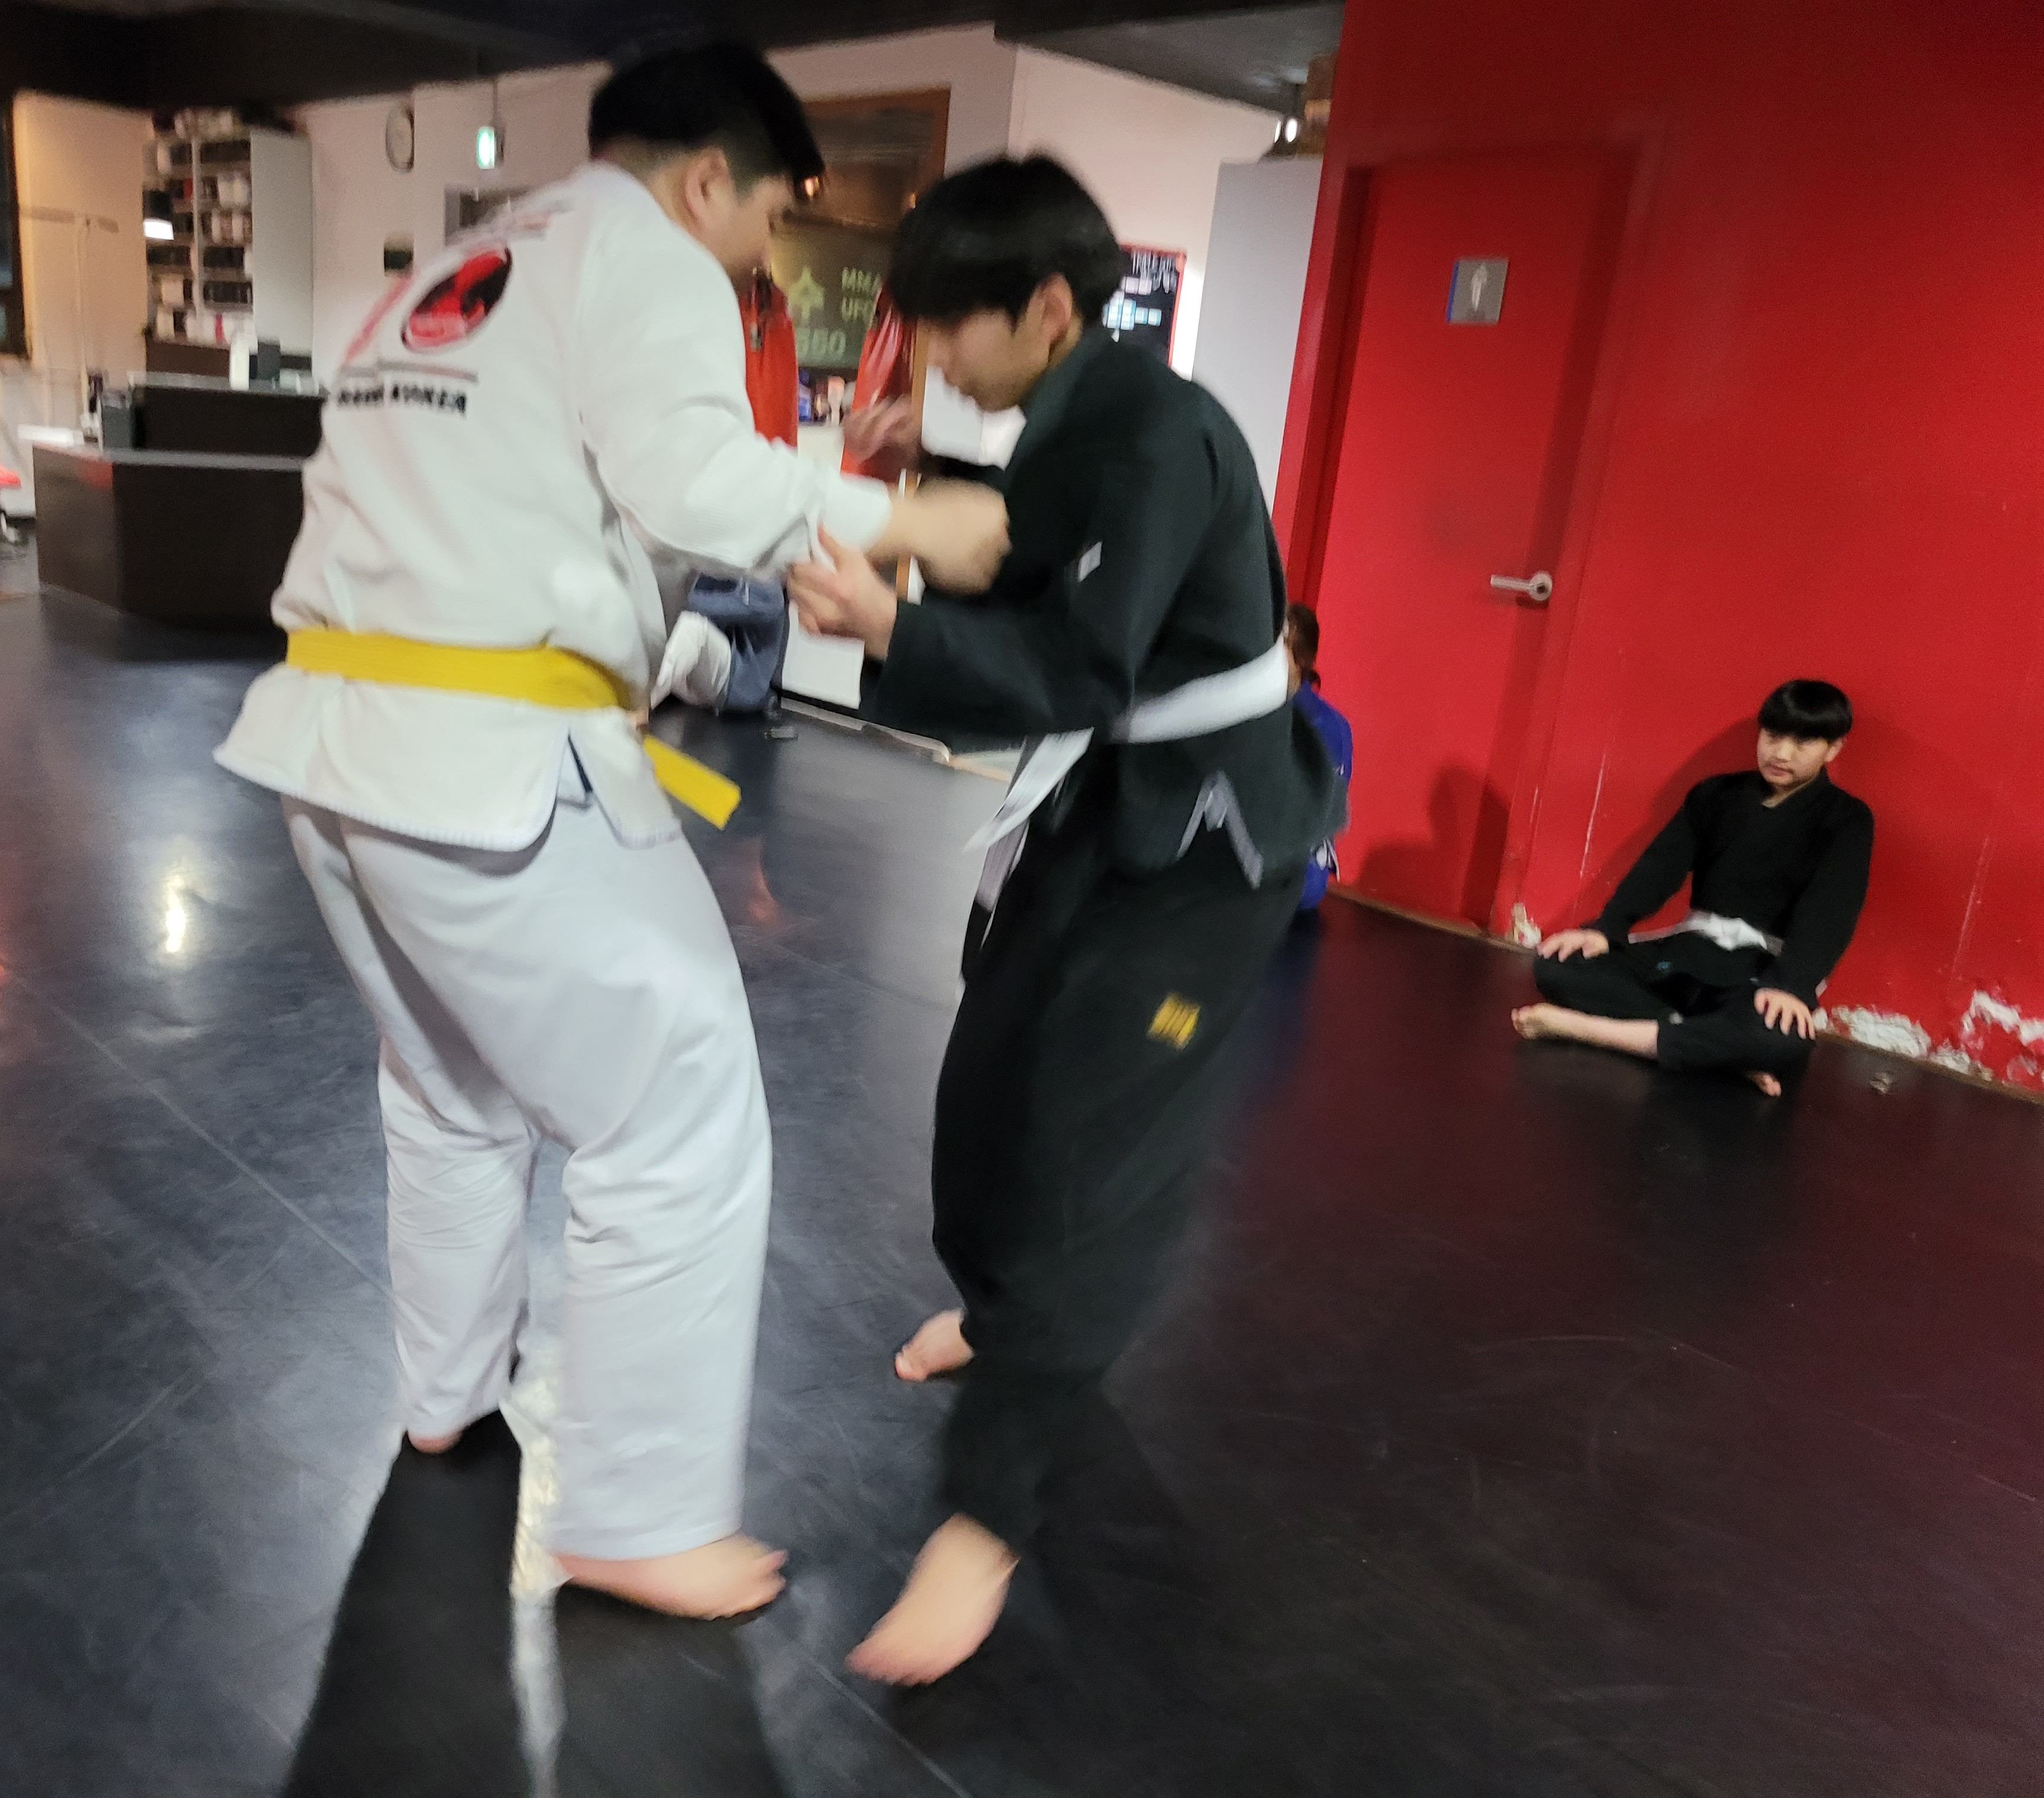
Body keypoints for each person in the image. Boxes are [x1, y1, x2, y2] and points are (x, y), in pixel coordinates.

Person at [213, 43, 1008, 1621]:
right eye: (768, 220)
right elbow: (688, 476)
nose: (763, 261)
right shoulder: (648, 255)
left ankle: (446, 1394)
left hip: (334, 745)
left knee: (450, 1090)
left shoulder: (466, 267)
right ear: (710, 179)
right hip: (486, 766)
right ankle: (638, 1516)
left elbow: (518, 509)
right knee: (676, 1098)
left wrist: (675, 645)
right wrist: (907, 515)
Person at [787, 156, 1345, 1684]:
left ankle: (986, 1515)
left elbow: (1081, 659)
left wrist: (894, 610)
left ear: (1047, 305)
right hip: (1103, 813)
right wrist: (919, 498)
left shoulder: (1158, 431)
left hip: (1208, 843)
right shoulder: (1061, 422)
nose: (935, 358)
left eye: (950, 329)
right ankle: (1001, 1311)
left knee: (1096, 1163)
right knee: (988, 1095)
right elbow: (1032, 569)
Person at [1512, 679, 1872, 1096]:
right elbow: (1660, 867)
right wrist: (1607, 928)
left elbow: (1830, 911)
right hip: (1686, 954)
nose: (1781, 754)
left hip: (1759, 972)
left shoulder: (1847, 819)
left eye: (1803, 743)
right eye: (1773, 736)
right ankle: (1718, 1055)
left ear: (1833, 748)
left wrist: (1791, 985)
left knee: (1782, 1039)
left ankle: (1584, 1029)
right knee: (1557, 964)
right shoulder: (1715, 794)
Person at [1284, 602, 1352, 910]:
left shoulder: (1281, 719)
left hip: (1282, 885)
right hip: (1310, 882)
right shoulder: (1340, 726)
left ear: (1296, 658)